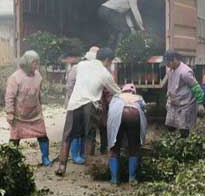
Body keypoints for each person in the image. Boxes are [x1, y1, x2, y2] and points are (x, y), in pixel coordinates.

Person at [56, 48, 121, 176]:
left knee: (67, 136)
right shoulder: (105, 73)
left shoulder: (81, 65)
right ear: (107, 60)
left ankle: (62, 166)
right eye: (110, 61)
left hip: (74, 103)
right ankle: (89, 167)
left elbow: (72, 77)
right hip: (90, 105)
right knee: (89, 136)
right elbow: (117, 92)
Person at [5, 50, 51, 166]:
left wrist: (41, 105)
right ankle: (11, 161)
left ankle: (45, 158)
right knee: (15, 138)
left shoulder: (38, 76)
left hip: (35, 114)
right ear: (27, 63)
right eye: (34, 63)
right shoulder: (15, 78)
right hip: (19, 115)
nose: (36, 66)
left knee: (43, 136)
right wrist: (10, 112)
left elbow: (38, 93)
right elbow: (9, 97)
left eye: (37, 63)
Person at [106, 83, 147, 184]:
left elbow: (110, 112)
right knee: (134, 148)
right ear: (133, 92)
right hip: (134, 113)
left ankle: (114, 179)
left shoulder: (116, 97)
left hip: (117, 115)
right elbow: (144, 110)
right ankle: (132, 178)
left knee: (114, 148)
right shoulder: (139, 97)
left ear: (122, 90)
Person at [64, 46, 99, 164]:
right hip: (76, 103)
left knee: (86, 129)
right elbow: (69, 87)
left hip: (87, 104)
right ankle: (75, 155)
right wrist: (75, 99)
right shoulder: (76, 68)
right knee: (75, 130)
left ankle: (83, 153)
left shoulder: (93, 69)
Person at [163, 50, 205, 138]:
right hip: (174, 102)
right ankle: (173, 143)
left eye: (168, 63)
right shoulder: (169, 69)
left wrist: (200, 103)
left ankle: (183, 144)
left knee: (184, 127)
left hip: (186, 103)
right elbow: (171, 84)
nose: (167, 65)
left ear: (174, 60)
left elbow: (195, 87)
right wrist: (168, 98)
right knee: (170, 125)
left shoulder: (185, 72)